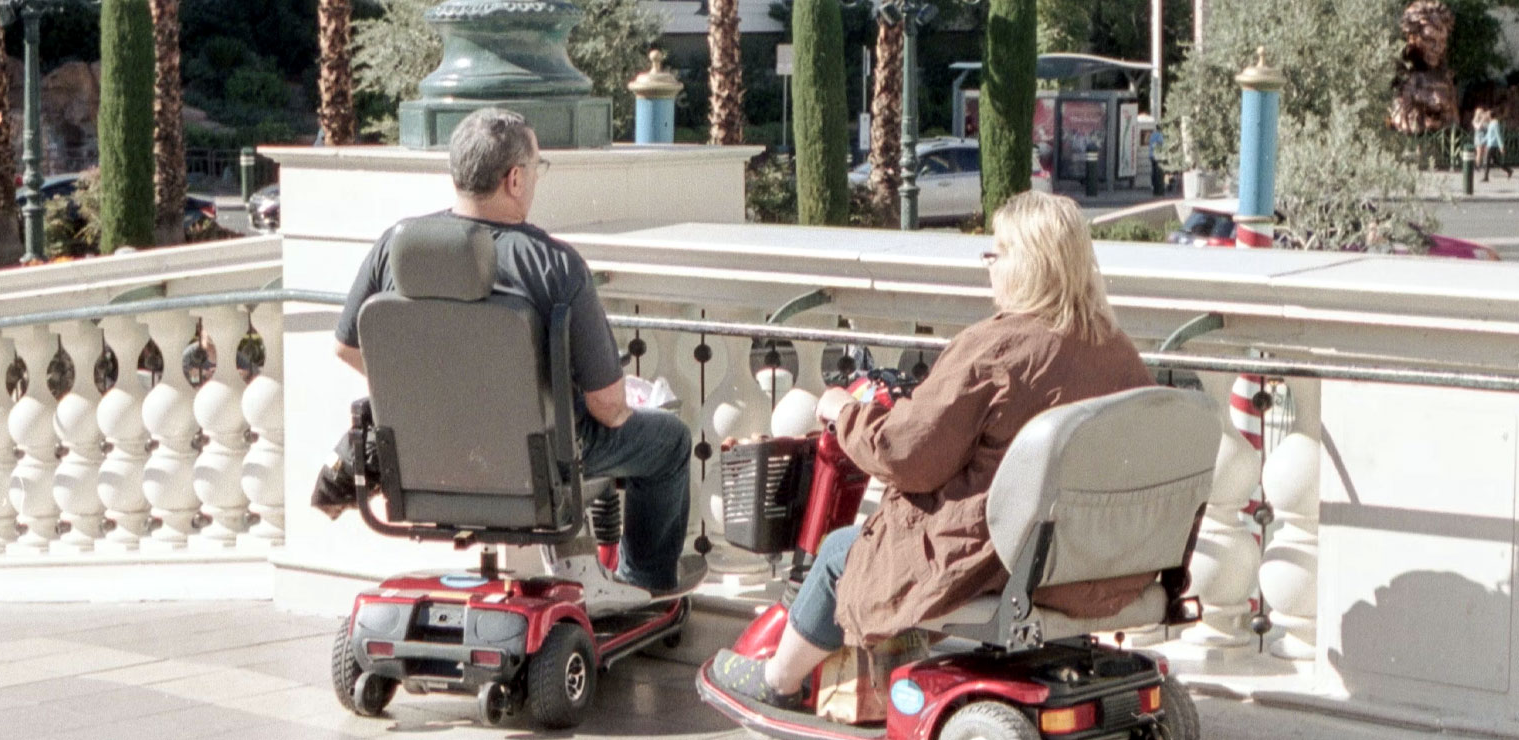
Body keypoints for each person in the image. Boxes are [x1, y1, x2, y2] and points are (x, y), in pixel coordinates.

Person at [710, 191, 1154, 709]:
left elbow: (907, 456)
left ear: (1028, 266)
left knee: (838, 555)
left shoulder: (997, 350)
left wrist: (843, 411)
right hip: (1097, 561)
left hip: (1001, 558)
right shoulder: (1117, 350)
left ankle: (778, 682)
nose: (989, 264)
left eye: (997, 252)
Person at [314, 107, 694, 595]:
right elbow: (609, 406)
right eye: (536, 168)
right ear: (514, 179)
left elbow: (346, 347)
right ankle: (647, 586)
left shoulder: (395, 246)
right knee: (669, 440)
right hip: (535, 461)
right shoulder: (555, 265)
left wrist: (434, 399)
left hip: (427, 454)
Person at [1483, 110, 1512, 181]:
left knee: (1488, 160)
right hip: (1490, 144)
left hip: (1493, 145)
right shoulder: (1490, 123)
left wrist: (1501, 146)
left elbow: (1498, 135)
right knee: (1495, 161)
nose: (1486, 115)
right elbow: (1488, 135)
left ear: (1490, 116)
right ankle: (1508, 170)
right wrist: (1482, 142)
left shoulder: (1495, 124)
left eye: (1487, 114)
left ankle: (1486, 177)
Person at [1474, 108, 1491, 177]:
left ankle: (1485, 166)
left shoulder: (1486, 121)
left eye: (1482, 112)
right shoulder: (1475, 121)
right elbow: (1478, 127)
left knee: (1486, 152)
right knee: (1479, 153)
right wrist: (1482, 120)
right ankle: (1477, 166)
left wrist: (1488, 117)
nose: (1482, 114)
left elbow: (1490, 127)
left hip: (1486, 138)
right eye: (1480, 113)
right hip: (1479, 138)